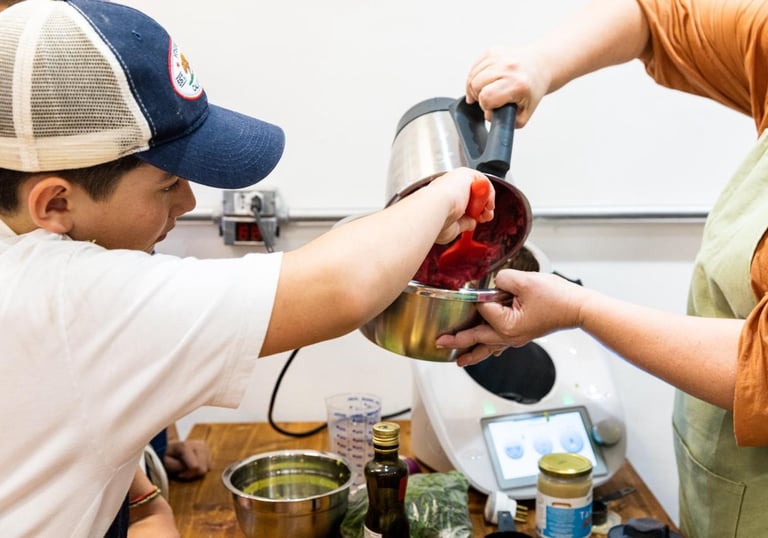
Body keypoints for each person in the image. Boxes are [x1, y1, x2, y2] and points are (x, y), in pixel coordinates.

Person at [0, 1, 497, 536]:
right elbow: (341, 287)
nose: (189, 202)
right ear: (54, 203)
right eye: (167, 185)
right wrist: (448, 193)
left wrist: (138, 485)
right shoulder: (67, 298)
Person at [437, 0, 768, 536]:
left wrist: (580, 311)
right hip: (723, 478)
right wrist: (541, 64)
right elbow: (657, 17)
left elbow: (760, 371)